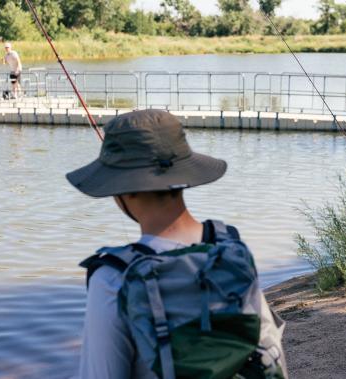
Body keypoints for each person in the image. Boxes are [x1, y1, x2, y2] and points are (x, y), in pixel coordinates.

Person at [66, 109, 286, 378]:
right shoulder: (230, 249)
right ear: (183, 175)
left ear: (123, 188)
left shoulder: (113, 278)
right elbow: (272, 354)